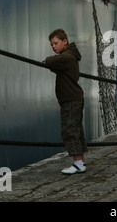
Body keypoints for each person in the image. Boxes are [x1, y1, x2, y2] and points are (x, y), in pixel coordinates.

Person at [44, 28, 88, 175]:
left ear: (65, 41)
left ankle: (77, 163)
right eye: (52, 45)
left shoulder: (67, 56)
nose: (54, 47)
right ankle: (80, 161)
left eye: (56, 43)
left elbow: (51, 61)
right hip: (72, 98)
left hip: (71, 100)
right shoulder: (70, 56)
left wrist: (47, 61)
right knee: (76, 129)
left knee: (69, 130)